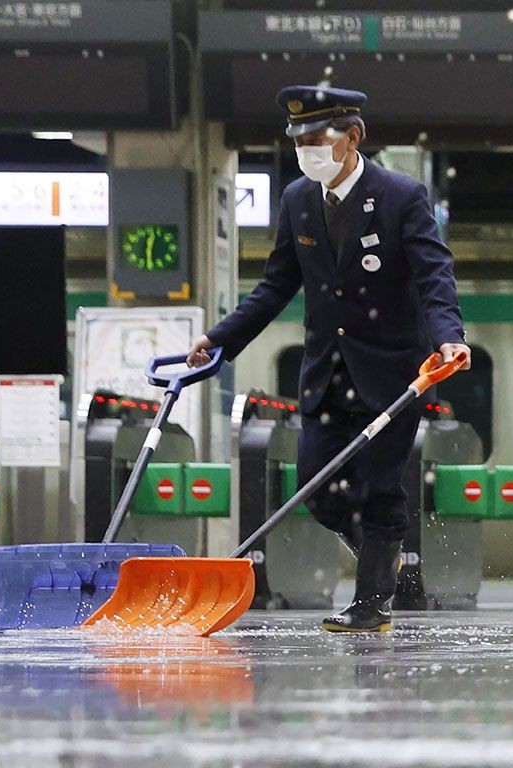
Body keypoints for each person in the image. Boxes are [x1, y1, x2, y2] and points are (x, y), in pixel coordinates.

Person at [188, 85, 470, 633]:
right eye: (299, 141)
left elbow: (434, 276)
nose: (306, 150)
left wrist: (449, 337)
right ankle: (383, 567)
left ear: (353, 137)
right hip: (324, 374)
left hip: (392, 373)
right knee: (315, 487)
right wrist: (220, 340)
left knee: (381, 487)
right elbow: (274, 287)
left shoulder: (400, 196)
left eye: (318, 139)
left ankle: (373, 603)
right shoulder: (297, 199)